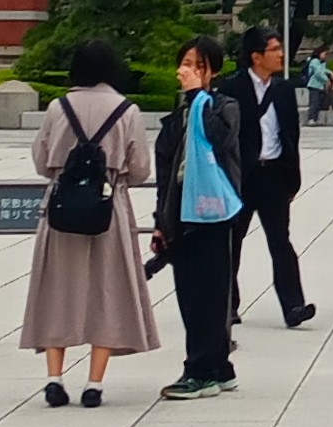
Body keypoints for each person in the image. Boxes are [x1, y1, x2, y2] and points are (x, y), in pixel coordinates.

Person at [23, 41, 156, 407]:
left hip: (62, 208)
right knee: (107, 291)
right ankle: (94, 384)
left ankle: (54, 377)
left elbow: (40, 160)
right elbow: (141, 169)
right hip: (108, 208)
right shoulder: (127, 111)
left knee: (56, 289)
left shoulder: (57, 107)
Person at [154, 38, 250, 401]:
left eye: (198, 65)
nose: (188, 70)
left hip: (212, 213)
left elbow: (220, 139)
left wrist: (197, 98)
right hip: (181, 213)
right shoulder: (176, 113)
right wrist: (161, 221)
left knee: (208, 295)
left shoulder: (223, 106)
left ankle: (200, 370)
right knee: (190, 293)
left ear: (212, 71)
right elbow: (166, 172)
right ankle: (219, 367)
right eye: (185, 63)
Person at [225, 26, 315, 328]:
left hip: (274, 175)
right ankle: (228, 306)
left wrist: (293, 177)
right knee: (231, 242)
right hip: (241, 178)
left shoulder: (284, 89)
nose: (281, 54)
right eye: (275, 49)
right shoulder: (231, 89)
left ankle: (293, 306)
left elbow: (291, 133)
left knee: (281, 241)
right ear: (256, 56)